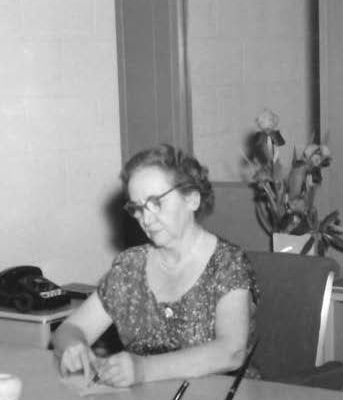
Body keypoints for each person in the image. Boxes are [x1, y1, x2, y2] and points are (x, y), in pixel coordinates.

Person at [53, 144, 256, 387]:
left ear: (191, 198)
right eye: (137, 208)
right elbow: (70, 328)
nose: (146, 219)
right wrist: (75, 347)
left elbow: (230, 352)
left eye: (156, 202)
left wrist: (144, 369)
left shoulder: (227, 263)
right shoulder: (131, 266)